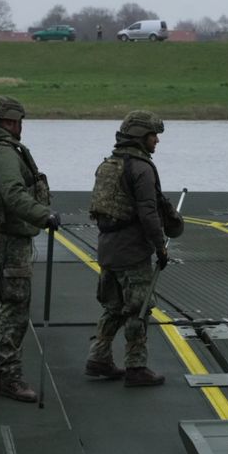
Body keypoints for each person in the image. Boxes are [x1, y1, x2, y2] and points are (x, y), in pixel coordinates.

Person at [0, 95, 60, 402]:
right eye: (18, 121)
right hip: (10, 241)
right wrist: (43, 215)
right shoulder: (4, 154)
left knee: (0, 304)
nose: (21, 127)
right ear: (8, 122)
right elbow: (13, 194)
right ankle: (10, 376)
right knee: (15, 309)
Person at [85, 110, 184, 387]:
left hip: (107, 248)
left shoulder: (108, 165)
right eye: (154, 135)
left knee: (113, 307)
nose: (157, 141)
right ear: (141, 135)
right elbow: (148, 213)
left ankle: (99, 358)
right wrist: (159, 248)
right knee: (138, 309)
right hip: (132, 251)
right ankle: (136, 366)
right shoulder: (142, 168)